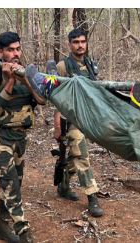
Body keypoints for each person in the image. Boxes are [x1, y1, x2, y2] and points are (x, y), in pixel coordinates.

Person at [0, 31, 45, 243]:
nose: (16, 54)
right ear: (0, 52)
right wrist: (8, 80)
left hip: (19, 136)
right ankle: (24, 233)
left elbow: (42, 100)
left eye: (18, 49)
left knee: (14, 182)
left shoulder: (27, 71)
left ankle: (1, 225)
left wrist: (25, 79)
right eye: (10, 50)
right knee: (11, 185)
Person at [53, 28, 104, 217]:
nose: (80, 45)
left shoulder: (91, 64)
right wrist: (57, 124)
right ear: (70, 44)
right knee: (82, 155)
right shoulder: (62, 67)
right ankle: (92, 198)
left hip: (88, 118)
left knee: (75, 156)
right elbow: (56, 97)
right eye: (76, 42)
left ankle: (64, 186)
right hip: (70, 118)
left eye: (83, 41)